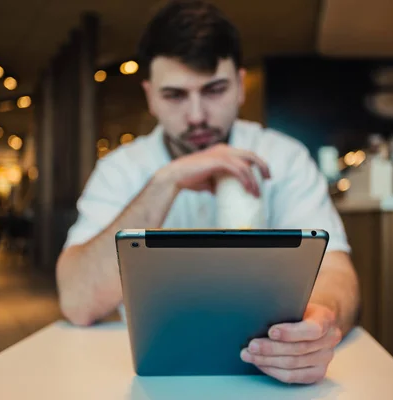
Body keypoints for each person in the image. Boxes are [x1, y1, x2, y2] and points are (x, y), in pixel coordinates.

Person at [57, 0, 360, 384]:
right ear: (150, 95)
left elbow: (336, 271)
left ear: (239, 86)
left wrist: (319, 323)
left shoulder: (283, 158)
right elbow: (77, 302)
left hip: (266, 371)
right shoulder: (121, 170)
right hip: (149, 376)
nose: (197, 116)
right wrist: (165, 183)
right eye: (175, 95)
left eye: (214, 90)